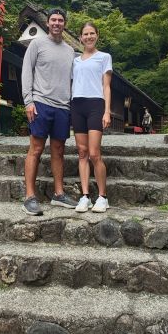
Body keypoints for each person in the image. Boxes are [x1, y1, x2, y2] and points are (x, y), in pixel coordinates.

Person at [21, 8, 78, 216]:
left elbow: (73, 79)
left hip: (62, 106)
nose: (56, 23)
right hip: (40, 102)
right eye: (53, 20)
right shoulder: (37, 44)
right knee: (36, 148)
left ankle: (59, 194)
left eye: (60, 20)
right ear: (47, 23)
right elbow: (26, 71)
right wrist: (28, 101)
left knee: (59, 150)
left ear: (64, 24)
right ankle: (29, 196)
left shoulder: (70, 51)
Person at [71, 22, 112, 213]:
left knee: (94, 153)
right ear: (80, 38)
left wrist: (107, 111)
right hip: (77, 104)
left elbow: (106, 86)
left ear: (97, 35)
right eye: (85, 34)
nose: (89, 37)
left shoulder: (104, 57)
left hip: (96, 104)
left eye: (92, 33)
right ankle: (85, 196)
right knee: (82, 152)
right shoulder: (75, 61)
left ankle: (103, 197)